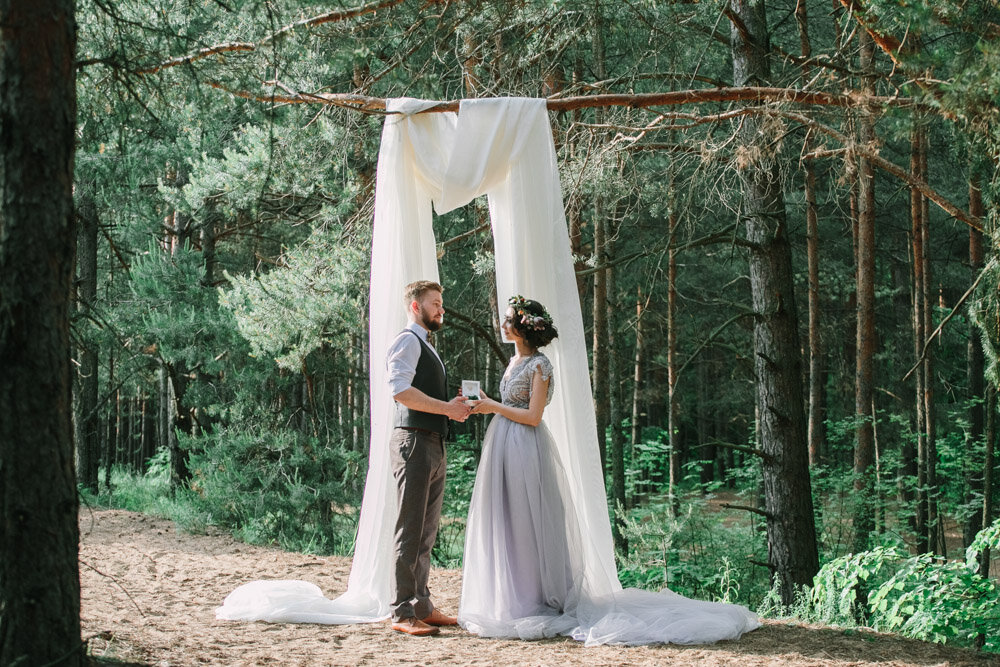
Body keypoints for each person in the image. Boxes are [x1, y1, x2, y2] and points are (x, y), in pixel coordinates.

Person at [459, 295, 760, 645]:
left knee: (530, 520)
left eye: (508, 318)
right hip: (503, 447)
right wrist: (485, 401)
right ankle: (512, 595)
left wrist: (492, 406)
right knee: (509, 520)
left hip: (527, 448)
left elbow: (533, 416)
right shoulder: (514, 362)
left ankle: (536, 597)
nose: (502, 323)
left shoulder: (540, 366)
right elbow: (512, 405)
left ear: (522, 327)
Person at [384, 279, 471, 636]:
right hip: (413, 443)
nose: (441, 309)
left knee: (427, 530)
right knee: (410, 528)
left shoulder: (425, 345)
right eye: (435, 303)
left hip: (432, 443)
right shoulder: (407, 340)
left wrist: (453, 410)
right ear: (415, 306)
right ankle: (402, 613)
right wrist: (446, 410)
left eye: (441, 303)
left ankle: (422, 605)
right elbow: (399, 391)